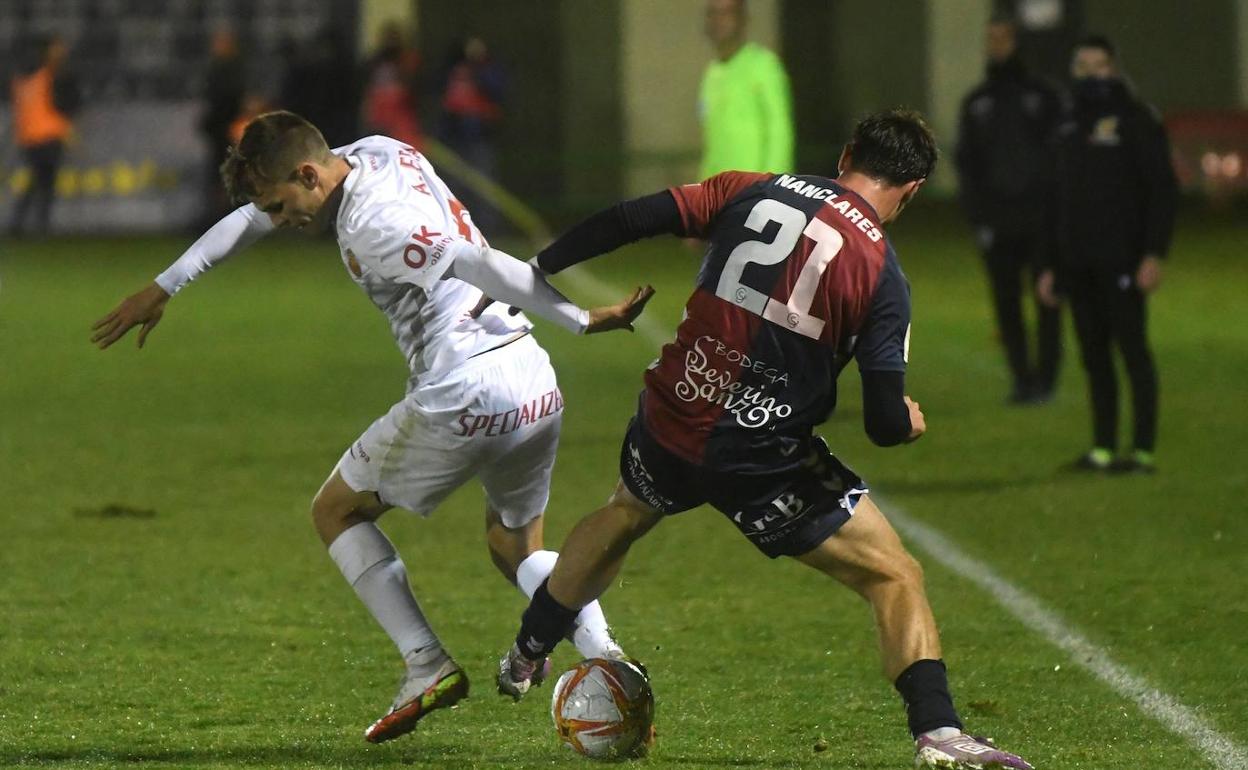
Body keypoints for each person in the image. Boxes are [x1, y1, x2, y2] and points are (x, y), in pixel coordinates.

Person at [90, 111, 652, 744]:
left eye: (284, 204)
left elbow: (477, 260)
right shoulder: (379, 151)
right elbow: (252, 216)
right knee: (514, 549)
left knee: (335, 511)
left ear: (307, 173)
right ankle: (608, 656)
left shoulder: (369, 226)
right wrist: (167, 284)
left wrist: (579, 318)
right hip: (531, 380)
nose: (285, 220)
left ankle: (425, 664)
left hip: (464, 387)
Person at [493, 111, 1032, 770]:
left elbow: (634, 218)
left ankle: (528, 648)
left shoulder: (751, 188)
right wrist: (911, 423)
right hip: (762, 456)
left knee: (625, 513)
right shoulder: (883, 276)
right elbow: (884, 424)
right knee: (895, 575)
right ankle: (940, 732)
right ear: (913, 190)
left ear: (845, 155)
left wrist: (538, 269)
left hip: (676, 409)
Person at [1039, 36, 1177, 474]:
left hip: (1123, 259)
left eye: (1098, 66)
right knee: (1093, 355)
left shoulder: (1136, 120)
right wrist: (1050, 265)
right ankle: (1102, 447)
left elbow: (1161, 190)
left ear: (1113, 69)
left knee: (1132, 351)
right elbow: (1055, 199)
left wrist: (1153, 253)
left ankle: (1142, 450)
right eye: (1083, 65)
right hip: (1077, 261)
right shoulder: (1066, 124)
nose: (1090, 74)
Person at [954, 15, 1062, 404]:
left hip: (1039, 219)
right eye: (991, 39)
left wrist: (1056, 210)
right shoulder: (978, 102)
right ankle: (1022, 378)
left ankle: (1046, 380)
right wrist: (978, 216)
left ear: (1017, 42)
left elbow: (1059, 157)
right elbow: (967, 164)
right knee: (1007, 303)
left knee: (1048, 298)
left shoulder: (1043, 96)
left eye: (1003, 38)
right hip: (997, 221)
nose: (996, 45)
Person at [699, 0, 793, 178]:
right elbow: (711, 143)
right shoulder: (710, 74)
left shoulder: (763, 65)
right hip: (719, 194)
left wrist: (772, 190)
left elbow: (779, 133)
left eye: (726, 13)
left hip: (754, 192)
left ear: (743, 19)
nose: (718, 21)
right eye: (713, 14)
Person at [8, 34, 79, 237]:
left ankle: (20, 223)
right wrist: (68, 131)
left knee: (36, 181)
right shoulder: (49, 76)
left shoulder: (21, 80)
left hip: (29, 139)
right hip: (48, 136)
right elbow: (61, 106)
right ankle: (39, 226)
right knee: (45, 183)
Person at [440, 36, 506, 234]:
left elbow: (495, 91)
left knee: (483, 186)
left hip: (479, 138)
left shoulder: (488, 70)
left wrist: (477, 68)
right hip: (454, 138)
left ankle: (488, 230)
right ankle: (453, 230)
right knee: (453, 187)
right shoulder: (452, 71)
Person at [199, 28, 245, 226]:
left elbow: (227, 103)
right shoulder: (226, 69)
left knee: (225, 174)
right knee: (220, 173)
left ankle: (223, 216)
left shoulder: (229, 71)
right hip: (221, 131)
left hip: (226, 131)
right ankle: (220, 214)